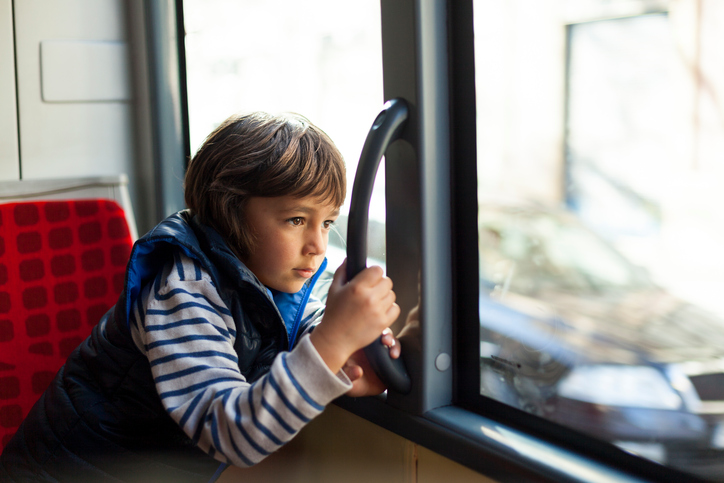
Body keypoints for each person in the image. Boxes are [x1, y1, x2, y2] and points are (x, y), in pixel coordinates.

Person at [0, 112, 400, 482]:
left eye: (328, 222)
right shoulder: (184, 290)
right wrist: (333, 341)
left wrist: (348, 362)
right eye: (296, 220)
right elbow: (235, 435)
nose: (317, 245)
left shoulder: (278, 274)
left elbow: (296, 323)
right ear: (230, 212)